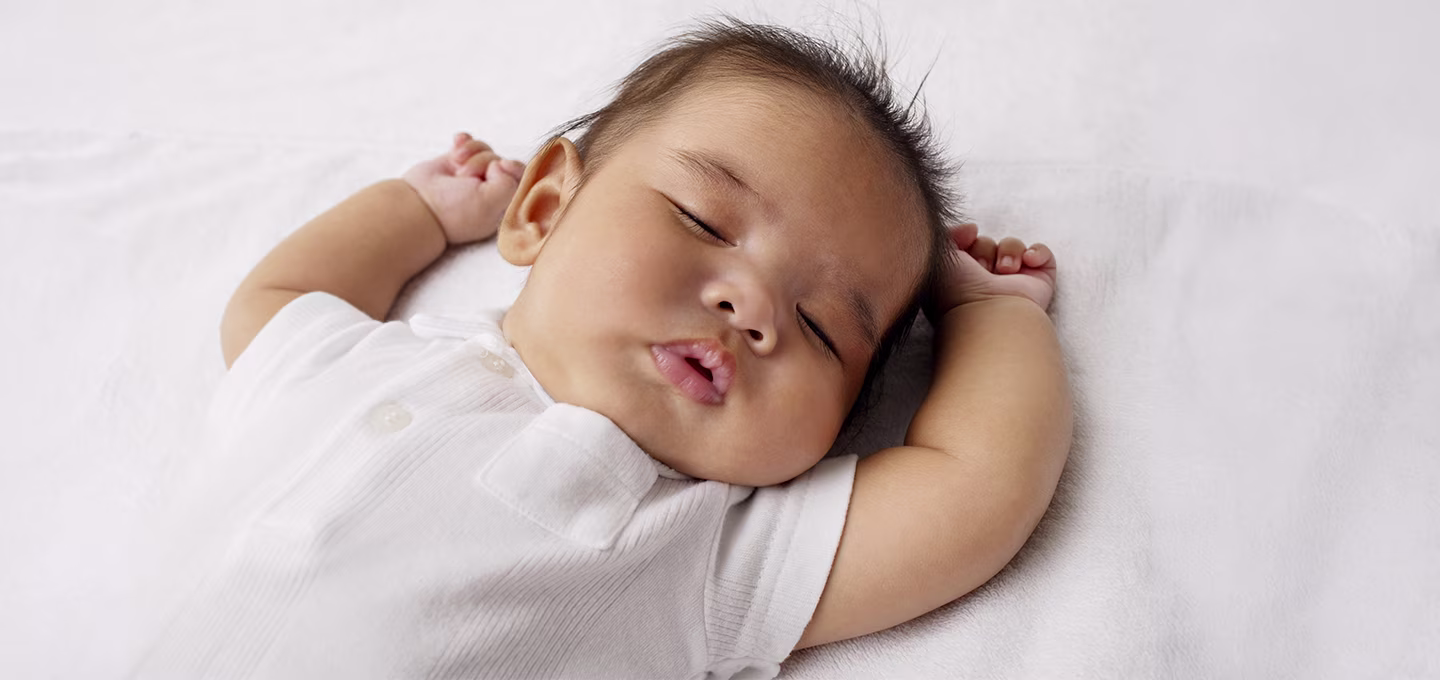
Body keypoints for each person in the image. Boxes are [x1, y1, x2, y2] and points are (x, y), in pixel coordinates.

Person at [134, 18, 1071, 680]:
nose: (753, 308)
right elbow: (282, 299)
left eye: (824, 327)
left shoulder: (702, 544)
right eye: (706, 220)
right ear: (544, 209)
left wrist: (990, 315)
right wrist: (415, 211)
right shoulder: (356, 364)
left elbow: (974, 488)